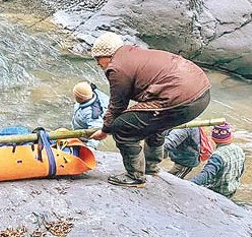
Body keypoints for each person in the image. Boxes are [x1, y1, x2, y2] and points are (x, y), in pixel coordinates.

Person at [88, 32, 211, 188]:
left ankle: (135, 176)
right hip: (201, 93)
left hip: (180, 99)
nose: (97, 63)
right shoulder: (134, 53)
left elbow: (118, 105)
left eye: (98, 58)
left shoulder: (116, 68)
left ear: (108, 55)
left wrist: (106, 129)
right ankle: (151, 167)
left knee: (121, 127)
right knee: (155, 123)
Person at [191, 122, 246, 198]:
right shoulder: (239, 149)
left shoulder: (217, 155)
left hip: (218, 192)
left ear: (214, 138)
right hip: (231, 189)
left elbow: (206, 175)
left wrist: (189, 184)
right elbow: (241, 170)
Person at [71, 81, 109, 148]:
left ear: (81, 98)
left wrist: (89, 148)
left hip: (85, 139)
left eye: (75, 96)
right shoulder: (90, 94)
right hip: (80, 127)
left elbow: (97, 131)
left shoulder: (92, 114)